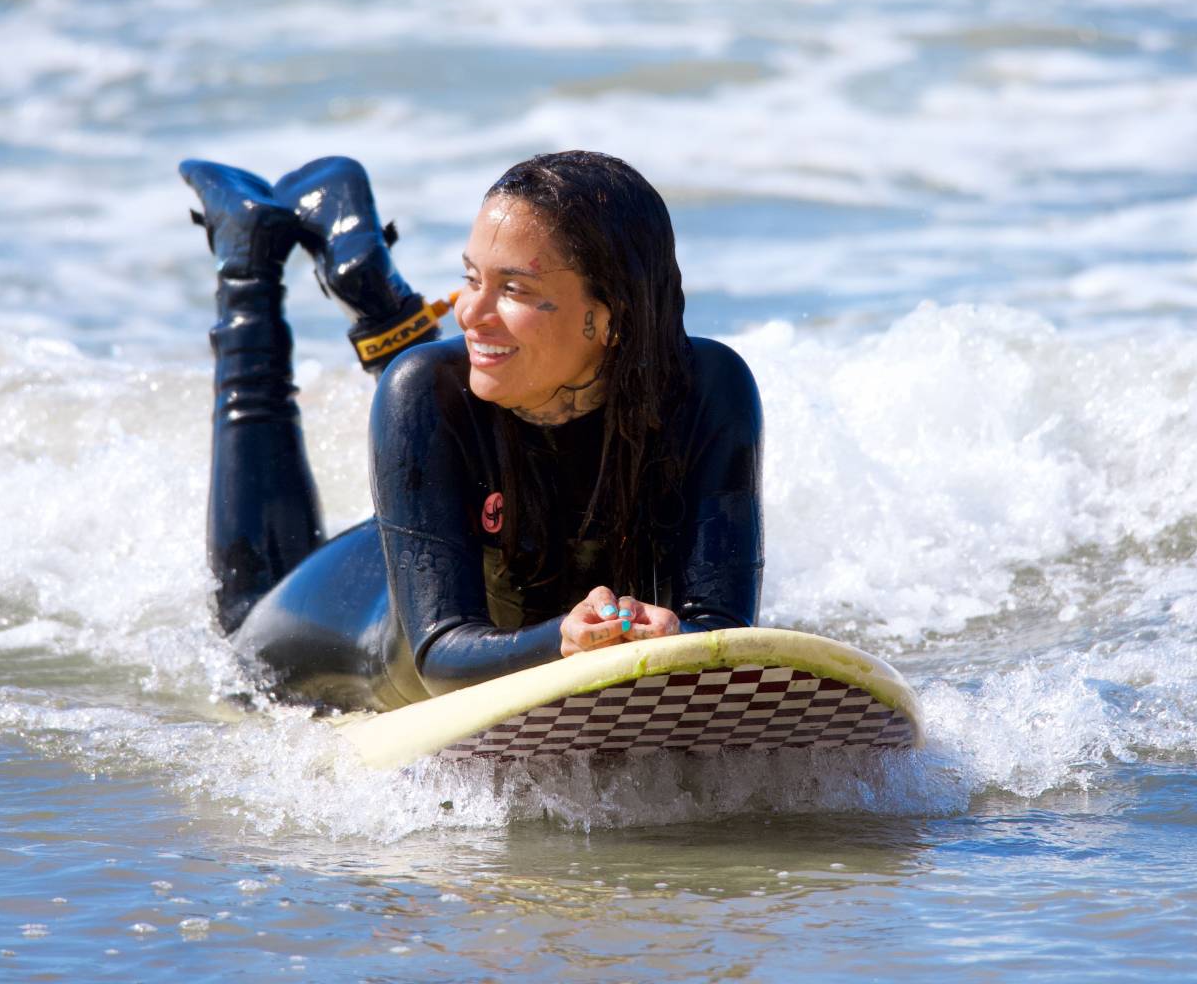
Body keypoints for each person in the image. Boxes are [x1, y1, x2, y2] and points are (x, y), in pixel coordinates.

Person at [180, 151, 764, 711]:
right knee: (239, 630)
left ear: (611, 317)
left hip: (478, 531)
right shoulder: (423, 390)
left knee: (458, 383)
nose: (466, 310)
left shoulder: (710, 389)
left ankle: (368, 287)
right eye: (470, 277)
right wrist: (557, 642)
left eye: (514, 288)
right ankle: (247, 270)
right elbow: (438, 653)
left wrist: (676, 631)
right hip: (364, 635)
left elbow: (723, 623)